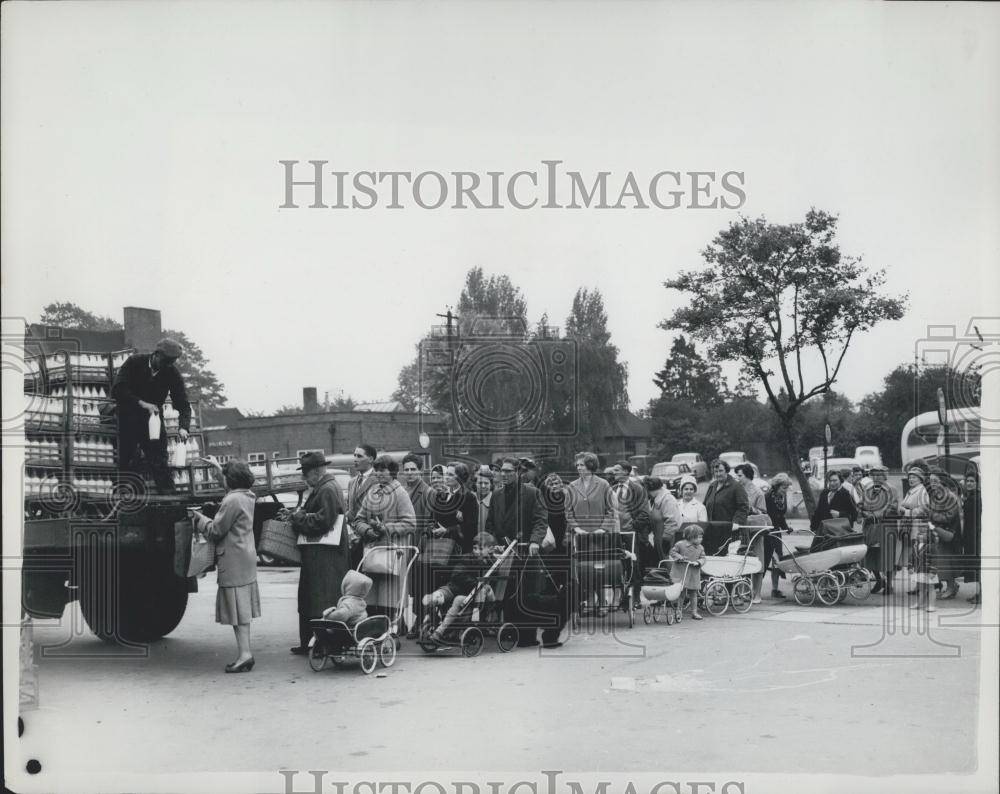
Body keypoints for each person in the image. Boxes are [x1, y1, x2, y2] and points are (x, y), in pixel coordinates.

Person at [190, 460, 258, 673]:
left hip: (232, 559)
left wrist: (199, 519)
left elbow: (216, 531)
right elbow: (229, 487)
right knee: (242, 610)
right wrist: (218, 468)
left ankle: (245, 654)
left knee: (238, 612)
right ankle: (245, 653)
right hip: (245, 555)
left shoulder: (232, 500)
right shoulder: (247, 496)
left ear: (231, 479)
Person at [282, 452, 350, 656]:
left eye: (305, 472)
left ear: (316, 471)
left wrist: (298, 519)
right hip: (323, 555)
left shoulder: (327, 489)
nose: (304, 477)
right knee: (313, 598)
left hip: (326, 557)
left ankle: (324, 644)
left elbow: (324, 521)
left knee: (322, 599)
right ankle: (313, 642)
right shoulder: (325, 487)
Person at [110, 338, 190, 494]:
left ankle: (169, 502)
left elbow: (182, 402)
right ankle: (125, 499)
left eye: (171, 362)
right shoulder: (134, 362)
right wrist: (142, 403)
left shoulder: (171, 373)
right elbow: (118, 390)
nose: (168, 365)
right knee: (127, 459)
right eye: (166, 361)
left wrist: (183, 427)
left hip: (153, 421)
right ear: (156, 355)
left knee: (160, 460)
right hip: (129, 416)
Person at [486, 457, 549, 646]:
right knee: (507, 592)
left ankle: (528, 636)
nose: (503, 475)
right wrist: (493, 543)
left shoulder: (532, 493)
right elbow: (490, 524)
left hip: (525, 551)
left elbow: (540, 520)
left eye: (508, 471)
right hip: (504, 553)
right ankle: (510, 632)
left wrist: (535, 542)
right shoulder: (496, 495)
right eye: (501, 471)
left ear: (518, 473)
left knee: (526, 594)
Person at [353, 455, 416, 629]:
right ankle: (375, 636)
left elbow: (411, 523)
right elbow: (358, 519)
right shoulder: (372, 492)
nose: (379, 473)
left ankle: (388, 635)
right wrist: (366, 530)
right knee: (371, 600)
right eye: (377, 469)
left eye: (383, 470)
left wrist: (385, 528)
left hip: (392, 555)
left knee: (389, 601)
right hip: (373, 553)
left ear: (392, 472)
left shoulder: (400, 493)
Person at [421, 532, 499, 644]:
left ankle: (440, 631)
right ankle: (435, 597)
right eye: (475, 548)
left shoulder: (490, 563)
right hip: (457, 587)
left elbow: (495, 572)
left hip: (468, 595)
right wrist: (476, 582)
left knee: (457, 599)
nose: (476, 551)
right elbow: (457, 574)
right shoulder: (467, 558)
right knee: (444, 592)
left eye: (480, 549)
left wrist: (493, 556)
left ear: (490, 549)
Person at [566, 452, 616, 612]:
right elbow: (567, 511)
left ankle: (602, 603)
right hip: (580, 537)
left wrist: (603, 528)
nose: (578, 467)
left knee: (599, 570)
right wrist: (576, 528)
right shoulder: (572, 486)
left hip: (600, 537)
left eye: (581, 465)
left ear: (591, 465)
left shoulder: (603, 485)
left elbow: (611, 510)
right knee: (584, 570)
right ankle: (589, 602)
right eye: (578, 465)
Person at [611, 460, 652, 610]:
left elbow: (644, 513)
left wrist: (633, 526)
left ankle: (635, 598)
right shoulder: (612, 488)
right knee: (617, 565)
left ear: (627, 472)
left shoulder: (638, 489)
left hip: (632, 534)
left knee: (634, 564)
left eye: (617, 470)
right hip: (615, 533)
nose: (613, 473)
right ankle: (621, 598)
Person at [401, 454, 434, 639]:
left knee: (421, 586)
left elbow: (430, 521)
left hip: (420, 546)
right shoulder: (404, 491)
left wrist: (422, 546)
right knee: (411, 587)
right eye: (407, 469)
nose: (410, 473)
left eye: (413, 469)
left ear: (420, 470)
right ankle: (411, 621)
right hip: (406, 545)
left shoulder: (427, 492)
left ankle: (420, 622)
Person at [858, 465, 900, 595]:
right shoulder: (868, 489)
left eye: (879, 475)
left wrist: (875, 514)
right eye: (873, 475)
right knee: (869, 554)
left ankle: (889, 584)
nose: (876, 477)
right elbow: (860, 504)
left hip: (886, 527)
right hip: (870, 526)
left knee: (887, 556)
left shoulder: (891, 489)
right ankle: (879, 579)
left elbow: (892, 507)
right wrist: (862, 512)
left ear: (884, 476)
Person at [927, 469, 963, 600]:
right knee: (941, 561)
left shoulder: (950, 497)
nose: (933, 484)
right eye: (931, 481)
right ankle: (952, 586)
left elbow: (949, 516)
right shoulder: (935, 495)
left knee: (947, 561)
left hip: (949, 533)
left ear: (942, 481)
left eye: (935, 481)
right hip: (939, 532)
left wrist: (931, 515)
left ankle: (951, 587)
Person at [764, 472, 795, 600]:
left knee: (777, 561)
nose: (785, 490)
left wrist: (786, 527)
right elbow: (766, 515)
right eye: (784, 487)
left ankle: (775, 589)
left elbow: (781, 516)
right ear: (777, 486)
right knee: (764, 560)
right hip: (767, 531)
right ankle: (754, 589)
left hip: (776, 532)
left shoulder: (782, 497)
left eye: (787, 487)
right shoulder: (768, 497)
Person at [347, 444, 379, 565]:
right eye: (354, 455)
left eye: (359, 456)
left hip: (370, 538)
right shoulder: (352, 482)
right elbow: (350, 510)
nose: (355, 459)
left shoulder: (378, 480)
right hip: (353, 540)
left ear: (370, 459)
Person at [669, 524, 706, 620]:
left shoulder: (701, 548)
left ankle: (694, 612)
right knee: (681, 592)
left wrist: (698, 562)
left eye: (701, 537)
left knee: (694, 593)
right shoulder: (680, 544)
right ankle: (679, 610)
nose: (701, 539)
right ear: (691, 536)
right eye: (699, 537)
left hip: (693, 573)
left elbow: (703, 558)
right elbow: (672, 552)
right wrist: (680, 557)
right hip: (682, 572)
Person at [645, 476, 680, 559]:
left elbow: (672, 521)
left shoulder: (667, 499)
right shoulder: (654, 500)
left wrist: (666, 541)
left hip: (668, 541)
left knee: (669, 565)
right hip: (659, 539)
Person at [910, 520, 939, 613]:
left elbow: (935, 560)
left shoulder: (931, 546)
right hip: (919, 570)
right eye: (919, 532)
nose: (920, 535)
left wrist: (933, 571)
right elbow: (912, 557)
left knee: (931, 588)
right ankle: (919, 603)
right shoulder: (915, 545)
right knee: (921, 588)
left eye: (923, 533)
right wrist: (910, 567)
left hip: (928, 571)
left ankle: (931, 605)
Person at [962, 470, 982, 605]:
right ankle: (980, 593)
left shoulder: (976, 498)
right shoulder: (971, 497)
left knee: (980, 566)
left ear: (977, 483)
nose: (969, 484)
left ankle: (981, 595)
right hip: (971, 536)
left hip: (976, 536)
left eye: (972, 481)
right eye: (967, 481)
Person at [474, 466, 495, 536]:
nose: (483, 486)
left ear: (491, 484)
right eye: (480, 483)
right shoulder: (469, 499)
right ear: (475, 484)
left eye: (486, 483)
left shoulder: (496, 500)